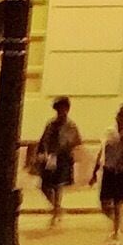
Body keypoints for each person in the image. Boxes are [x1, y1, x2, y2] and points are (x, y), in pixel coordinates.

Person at [90, 104, 123, 241]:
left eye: (122, 114)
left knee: (118, 202)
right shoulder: (109, 131)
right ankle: (118, 222)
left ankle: (116, 230)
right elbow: (102, 150)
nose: (118, 117)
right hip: (109, 169)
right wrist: (95, 171)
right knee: (104, 203)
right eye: (118, 114)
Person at [33, 97, 84, 226]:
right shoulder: (51, 124)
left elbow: (77, 140)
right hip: (50, 157)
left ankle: (56, 212)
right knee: (45, 186)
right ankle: (57, 208)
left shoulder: (71, 125)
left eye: (63, 109)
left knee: (58, 185)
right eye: (59, 109)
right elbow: (44, 140)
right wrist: (41, 153)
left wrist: (69, 146)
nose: (61, 112)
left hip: (63, 157)